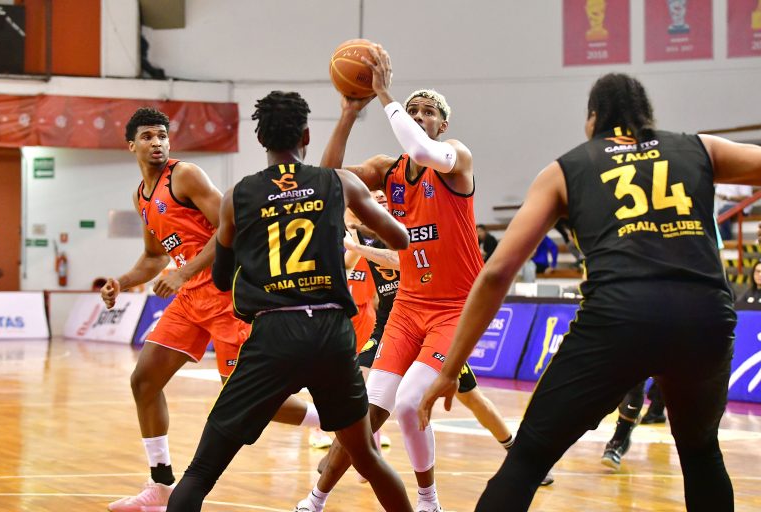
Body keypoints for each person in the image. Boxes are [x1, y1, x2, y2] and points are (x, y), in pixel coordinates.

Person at [419, 72, 761, 511]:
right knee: (701, 453)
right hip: (705, 317)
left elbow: (497, 272)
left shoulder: (567, 169)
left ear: (593, 119)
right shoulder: (700, 148)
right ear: (646, 114)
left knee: (529, 457)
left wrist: (450, 368)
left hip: (619, 319)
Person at [165, 91, 413, 512]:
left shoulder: (238, 197)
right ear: (306, 135)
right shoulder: (339, 182)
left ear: (260, 139)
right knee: (368, 459)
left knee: (200, 473)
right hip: (331, 334)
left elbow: (221, 278)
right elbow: (401, 239)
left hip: (273, 332)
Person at [296, 45, 485, 512]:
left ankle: (428, 501)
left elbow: (421, 149)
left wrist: (384, 94)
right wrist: (347, 114)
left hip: (456, 309)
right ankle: (314, 501)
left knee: (409, 403)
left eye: (429, 112)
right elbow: (327, 179)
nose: (419, 116)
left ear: (443, 125)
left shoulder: (456, 158)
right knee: (365, 413)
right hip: (409, 306)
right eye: (413, 109)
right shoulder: (388, 170)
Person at [102, 107, 318, 512]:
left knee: (246, 399)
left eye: (162, 135)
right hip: (190, 300)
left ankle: (338, 420)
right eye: (147, 136)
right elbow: (154, 257)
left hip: (225, 295)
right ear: (131, 145)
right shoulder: (141, 196)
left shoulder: (185, 176)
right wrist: (122, 282)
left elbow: (230, 228)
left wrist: (184, 272)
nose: (157, 142)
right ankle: (160, 485)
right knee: (144, 380)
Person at [346, 210, 554, 485]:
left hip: (433, 321)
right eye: (374, 197)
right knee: (362, 385)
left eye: (384, 195)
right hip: (392, 323)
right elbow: (347, 260)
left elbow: (399, 261)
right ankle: (369, 458)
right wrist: (348, 230)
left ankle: (517, 453)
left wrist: (357, 246)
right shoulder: (361, 230)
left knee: (472, 399)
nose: (381, 199)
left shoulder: (410, 226)